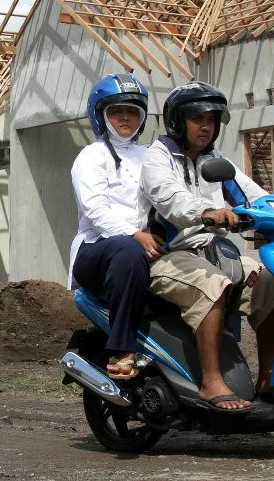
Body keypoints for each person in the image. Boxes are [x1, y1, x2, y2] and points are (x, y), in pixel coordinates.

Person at [140, 81, 274, 413]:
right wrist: (206, 211)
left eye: (211, 119)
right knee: (213, 284)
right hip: (171, 256)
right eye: (197, 118)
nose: (206, 126)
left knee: (272, 281)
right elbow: (169, 198)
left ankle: (268, 377)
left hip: (215, 251)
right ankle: (212, 382)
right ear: (178, 121)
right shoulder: (159, 157)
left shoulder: (215, 160)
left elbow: (254, 195)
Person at [69, 73, 165, 380]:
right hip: (97, 250)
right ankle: (123, 348)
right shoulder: (91, 156)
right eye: (116, 111)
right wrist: (137, 235)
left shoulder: (151, 155)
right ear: (101, 116)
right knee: (126, 249)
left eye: (133, 111)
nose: (125, 117)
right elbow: (95, 209)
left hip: (141, 246)